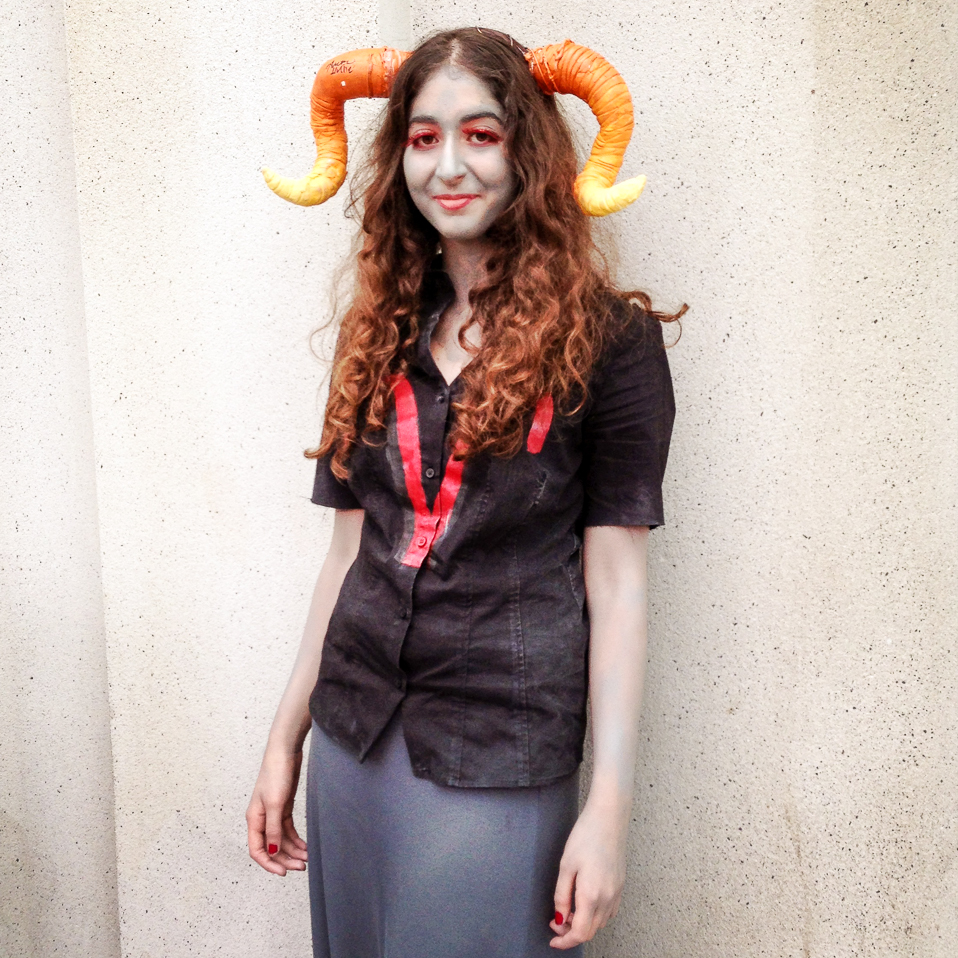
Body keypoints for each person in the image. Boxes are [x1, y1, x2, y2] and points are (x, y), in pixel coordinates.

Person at [246, 27, 681, 958]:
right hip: (351, 739)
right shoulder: (376, 332)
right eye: (423, 137)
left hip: (499, 751)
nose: (448, 165)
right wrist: (286, 736)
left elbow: (618, 588)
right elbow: (347, 556)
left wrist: (608, 810)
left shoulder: (613, 344)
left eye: (481, 135)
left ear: (530, 152)